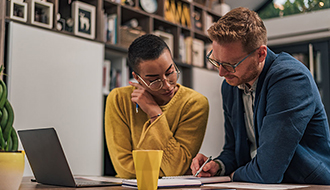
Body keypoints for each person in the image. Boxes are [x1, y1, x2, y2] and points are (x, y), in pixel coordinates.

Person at [190, 7, 330, 185]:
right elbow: (233, 150)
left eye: (230, 64)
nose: (221, 73)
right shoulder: (230, 85)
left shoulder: (290, 78)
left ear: (261, 54)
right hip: (257, 184)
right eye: (216, 61)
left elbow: (268, 171)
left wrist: (231, 176)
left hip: (306, 186)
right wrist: (218, 166)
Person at [105, 34, 209, 179]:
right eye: (154, 80)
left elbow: (176, 169)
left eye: (170, 72)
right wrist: (163, 172)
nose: (167, 85)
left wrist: (155, 114)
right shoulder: (118, 99)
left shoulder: (195, 103)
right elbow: (124, 169)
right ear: (137, 78)